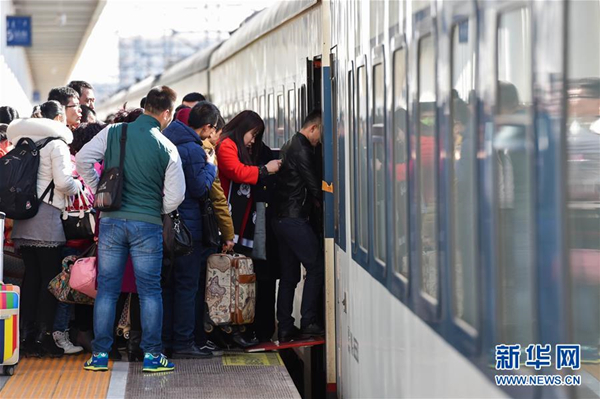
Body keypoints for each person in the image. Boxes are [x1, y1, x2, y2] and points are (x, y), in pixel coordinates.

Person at [76, 86, 185, 372]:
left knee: (108, 290)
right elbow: (176, 197)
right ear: (166, 113)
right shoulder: (167, 147)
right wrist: (154, 208)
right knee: (150, 291)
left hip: (112, 221)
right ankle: (152, 356)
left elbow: (83, 159)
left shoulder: (113, 132)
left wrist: (98, 189)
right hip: (147, 225)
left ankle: (100, 356)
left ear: (145, 105)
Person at [7, 116, 83, 357]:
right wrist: (78, 187)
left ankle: (24, 335)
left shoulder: (23, 144)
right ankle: (44, 337)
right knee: (49, 281)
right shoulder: (57, 144)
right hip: (47, 219)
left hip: (23, 218)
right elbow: (63, 183)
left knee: (31, 278)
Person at [215, 110, 281, 347]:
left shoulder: (234, 144)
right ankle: (224, 330)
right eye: (252, 134)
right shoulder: (226, 145)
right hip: (227, 220)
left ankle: (235, 327)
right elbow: (236, 172)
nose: (253, 140)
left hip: (237, 220)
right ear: (242, 128)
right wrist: (266, 170)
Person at [161, 102, 219, 358]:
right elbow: (199, 189)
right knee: (187, 286)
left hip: (166, 225)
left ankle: (166, 341)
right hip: (188, 227)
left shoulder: (166, 140)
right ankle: (183, 343)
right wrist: (211, 167)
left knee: (168, 286)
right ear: (206, 126)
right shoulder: (194, 150)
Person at [272, 110, 325, 342]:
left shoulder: (290, 143)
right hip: (294, 219)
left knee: (289, 275)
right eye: (320, 134)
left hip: (281, 219)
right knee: (316, 267)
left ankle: (285, 327)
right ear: (312, 128)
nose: (320, 140)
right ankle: (309, 321)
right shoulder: (303, 148)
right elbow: (314, 186)